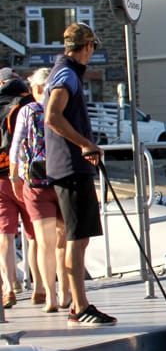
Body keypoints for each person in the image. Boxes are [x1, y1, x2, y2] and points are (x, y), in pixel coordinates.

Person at [44, 22, 115, 326]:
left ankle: (78, 302)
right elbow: (52, 117)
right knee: (77, 237)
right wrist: (86, 144)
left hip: (69, 165)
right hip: (71, 167)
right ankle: (79, 306)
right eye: (93, 47)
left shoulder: (63, 71)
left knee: (77, 237)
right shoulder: (67, 75)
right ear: (87, 47)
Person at [11, 67, 70, 313]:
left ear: (35, 89)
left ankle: (50, 298)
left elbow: (16, 147)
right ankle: (67, 293)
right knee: (64, 242)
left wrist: (16, 177)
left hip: (34, 183)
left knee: (44, 243)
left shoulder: (27, 111)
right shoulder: (63, 108)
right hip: (62, 179)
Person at [0, 67, 37, 309]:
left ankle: (9, 285)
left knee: (4, 234)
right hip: (24, 175)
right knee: (35, 233)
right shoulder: (28, 102)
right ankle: (40, 287)